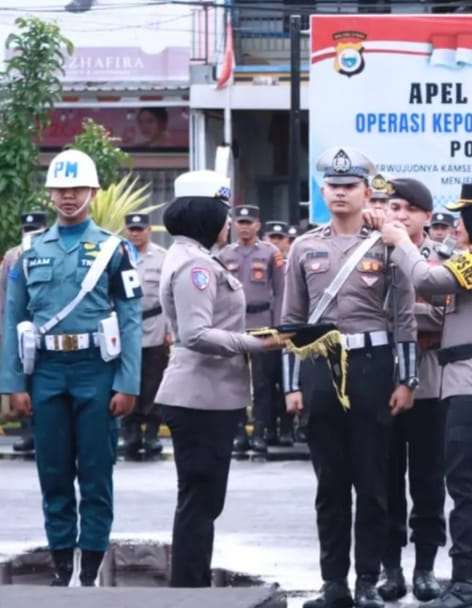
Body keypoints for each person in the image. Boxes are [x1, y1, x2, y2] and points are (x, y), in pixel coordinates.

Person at [0, 149, 143, 587]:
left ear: (93, 192)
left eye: (76, 188)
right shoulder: (28, 252)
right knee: (54, 472)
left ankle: (92, 565)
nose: (67, 196)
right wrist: (13, 383)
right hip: (45, 371)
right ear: (50, 193)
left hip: (95, 368)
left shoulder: (114, 251)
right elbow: (12, 317)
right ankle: (62, 566)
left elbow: (131, 318)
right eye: (60, 189)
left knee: (96, 473)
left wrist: (128, 381)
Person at [282, 146, 418, 608]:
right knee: (330, 484)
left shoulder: (386, 244)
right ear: (323, 191)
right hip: (321, 368)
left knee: (373, 482)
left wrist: (407, 381)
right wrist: (292, 384)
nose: (340, 193)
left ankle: (367, 582)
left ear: (366, 192)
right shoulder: (304, 246)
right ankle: (333, 583)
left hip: (372, 369)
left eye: (350, 186)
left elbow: (404, 320)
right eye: (334, 186)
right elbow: (291, 322)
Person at [379, 183, 472, 608]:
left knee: (468, 489)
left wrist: (401, 241)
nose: (457, 224)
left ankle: (465, 584)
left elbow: (427, 279)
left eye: (464, 215)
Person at [154, 171, 283, 587]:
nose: (229, 222)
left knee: (202, 499)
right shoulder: (195, 265)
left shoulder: (192, 256)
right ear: (207, 215)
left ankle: (190, 584)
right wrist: (257, 344)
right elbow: (194, 334)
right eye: (224, 213)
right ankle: (188, 589)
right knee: (200, 500)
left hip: (206, 396)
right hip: (200, 397)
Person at [377, 178, 446, 603]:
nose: (399, 216)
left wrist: (401, 316)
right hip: (382, 380)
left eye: (407, 209)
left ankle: (425, 568)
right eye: (392, 208)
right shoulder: (368, 257)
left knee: (428, 480)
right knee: (383, 480)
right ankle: (389, 569)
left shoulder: (444, 260)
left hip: (430, 381)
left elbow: (445, 318)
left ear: (426, 216)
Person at [219, 205, 289, 452]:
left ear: (258, 225)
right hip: (235, 324)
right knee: (234, 380)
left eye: (249, 222)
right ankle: (239, 433)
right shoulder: (225, 254)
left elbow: (281, 291)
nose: (245, 226)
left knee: (263, 382)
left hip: (263, 323)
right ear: (235, 224)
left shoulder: (270, 252)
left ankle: (260, 431)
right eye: (240, 222)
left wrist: (279, 325)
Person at [0, 211, 48, 453]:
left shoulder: (51, 253)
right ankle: (28, 432)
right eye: (28, 230)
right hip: (19, 330)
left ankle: (47, 433)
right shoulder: (11, 256)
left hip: (45, 331)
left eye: (36, 230)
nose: (31, 234)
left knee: (44, 384)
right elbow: (3, 295)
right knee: (22, 383)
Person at [120, 212, 170, 460]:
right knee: (127, 380)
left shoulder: (161, 257)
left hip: (155, 324)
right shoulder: (118, 256)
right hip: (125, 327)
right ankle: (130, 433)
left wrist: (170, 330)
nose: (135, 233)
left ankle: (151, 433)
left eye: (140, 229)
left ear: (149, 230)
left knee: (153, 382)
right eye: (131, 229)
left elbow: (169, 297)